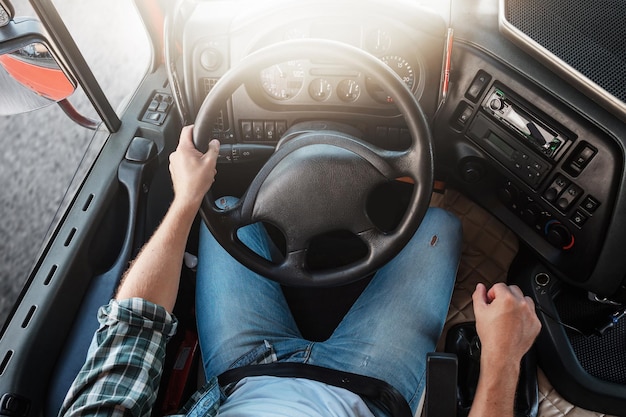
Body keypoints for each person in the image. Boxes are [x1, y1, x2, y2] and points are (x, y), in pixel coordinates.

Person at [59, 125, 541, 417]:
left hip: (245, 371)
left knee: (223, 209)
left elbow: (134, 326)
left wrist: (186, 199)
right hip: (367, 386)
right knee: (438, 224)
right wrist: (503, 359)